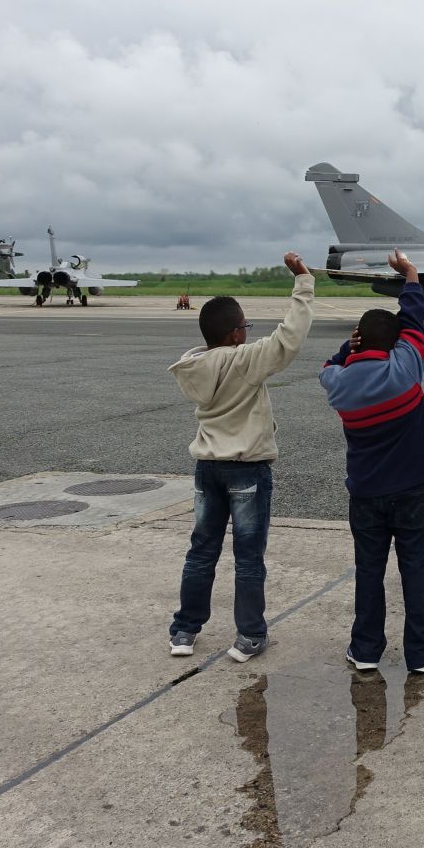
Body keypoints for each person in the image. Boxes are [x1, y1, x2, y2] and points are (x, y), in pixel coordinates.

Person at [167, 251, 314, 662]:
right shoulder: (243, 361)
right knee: (248, 558)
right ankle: (248, 635)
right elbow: (289, 337)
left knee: (201, 551)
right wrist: (303, 284)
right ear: (235, 334)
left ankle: (184, 631)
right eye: (245, 327)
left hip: (207, 467)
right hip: (246, 468)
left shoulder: (195, 366)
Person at [320, 250, 424, 675]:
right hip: (412, 490)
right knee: (416, 568)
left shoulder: (338, 385)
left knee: (368, 570)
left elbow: (329, 366)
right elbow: (413, 319)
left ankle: (366, 648)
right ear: (395, 345)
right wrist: (411, 275)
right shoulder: (405, 370)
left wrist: (348, 347)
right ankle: (422, 652)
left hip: (365, 493)